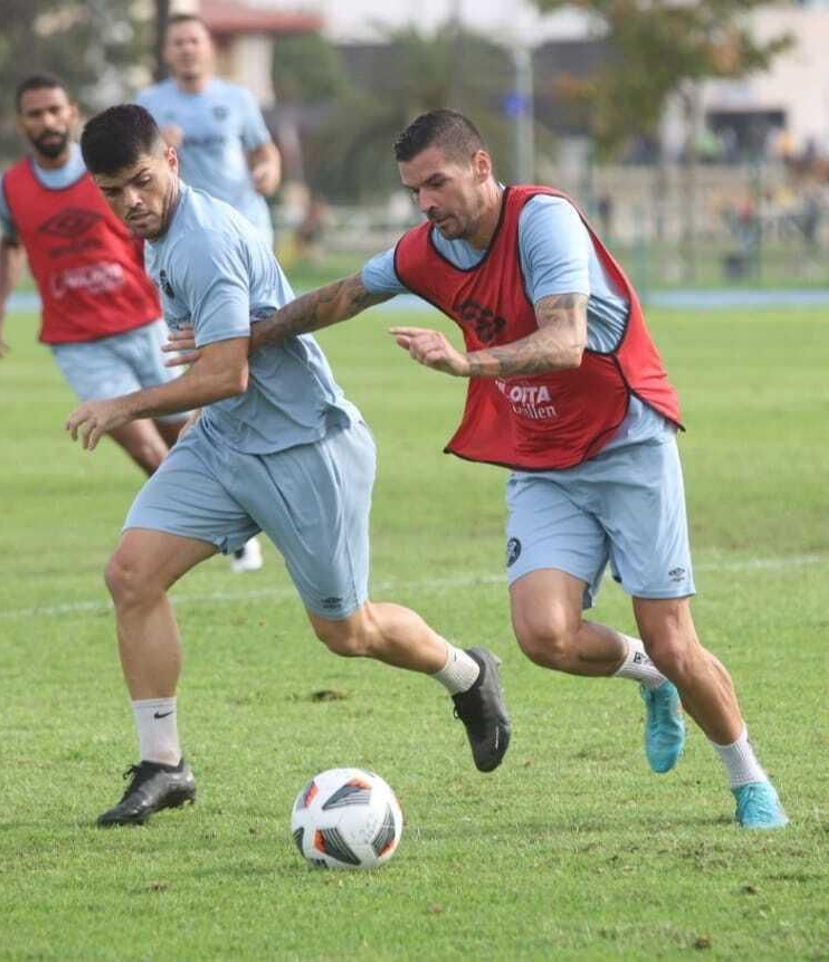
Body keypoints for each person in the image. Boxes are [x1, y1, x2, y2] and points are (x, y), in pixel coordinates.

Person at [171, 109, 789, 829]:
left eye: (437, 183)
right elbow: (341, 296)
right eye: (413, 192)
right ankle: (645, 676)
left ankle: (749, 780)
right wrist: (244, 339)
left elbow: (564, 342)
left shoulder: (543, 222)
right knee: (544, 638)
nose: (427, 203)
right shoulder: (425, 250)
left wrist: (467, 363)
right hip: (542, 456)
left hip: (626, 443)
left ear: (482, 167)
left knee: (676, 640)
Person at [68, 104, 511, 827]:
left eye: (142, 182)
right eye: (112, 192)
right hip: (227, 443)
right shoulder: (161, 231)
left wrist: (123, 406)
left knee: (347, 633)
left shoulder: (203, 242)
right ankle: (164, 764)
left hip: (307, 448)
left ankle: (468, 674)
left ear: (171, 160)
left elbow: (225, 375)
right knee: (131, 574)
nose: (131, 203)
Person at [0, 74, 262, 573]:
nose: (46, 121)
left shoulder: (120, 172)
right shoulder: (6, 190)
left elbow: (164, 236)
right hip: (77, 341)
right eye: (35, 113)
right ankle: (207, 530)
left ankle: (231, 516)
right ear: (20, 122)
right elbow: (10, 245)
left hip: (143, 322)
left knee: (188, 434)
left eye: (54, 109)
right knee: (141, 444)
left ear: (70, 111)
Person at [135, 14, 281, 248]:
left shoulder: (238, 98)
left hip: (245, 220)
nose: (187, 49)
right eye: (179, 43)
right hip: (188, 227)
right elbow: (135, 166)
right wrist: (157, 146)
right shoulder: (149, 101)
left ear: (209, 47)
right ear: (166, 52)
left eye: (194, 41)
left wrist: (269, 170)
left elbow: (263, 149)